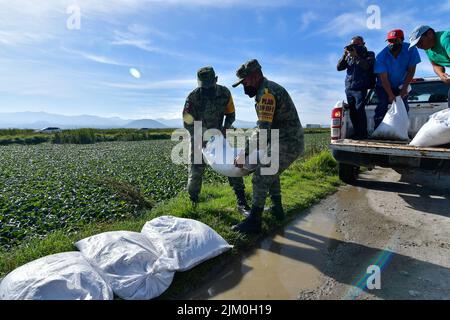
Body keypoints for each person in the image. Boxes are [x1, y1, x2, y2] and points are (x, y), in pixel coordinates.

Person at [230, 59, 304, 234]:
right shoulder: (266, 90)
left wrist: (244, 154)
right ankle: (277, 209)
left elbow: (262, 130)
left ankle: (254, 221)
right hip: (283, 139)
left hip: (288, 141)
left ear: (255, 76)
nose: (244, 86)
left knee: (261, 175)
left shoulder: (266, 94)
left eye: (245, 81)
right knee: (270, 169)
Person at [183, 66, 250, 215]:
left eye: (209, 86)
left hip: (219, 136)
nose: (206, 90)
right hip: (199, 137)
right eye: (203, 87)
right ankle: (193, 205)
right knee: (195, 172)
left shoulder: (225, 93)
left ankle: (242, 202)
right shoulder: (192, 97)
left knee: (233, 165)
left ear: (216, 80)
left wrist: (225, 128)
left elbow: (231, 114)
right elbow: (187, 122)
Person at [373, 29, 421, 130]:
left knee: (403, 106)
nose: (392, 43)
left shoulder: (411, 49)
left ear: (402, 40)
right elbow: (383, 79)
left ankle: (402, 131)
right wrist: (390, 95)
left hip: (400, 84)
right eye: (390, 41)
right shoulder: (381, 56)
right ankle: (378, 131)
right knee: (382, 104)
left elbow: (411, 71)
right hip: (383, 86)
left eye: (395, 40)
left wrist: (404, 89)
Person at [337, 36, 375, 139]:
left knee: (359, 110)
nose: (355, 47)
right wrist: (344, 55)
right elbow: (339, 67)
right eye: (353, 45)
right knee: (353, 112)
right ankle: (357, 132)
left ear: (363, 44)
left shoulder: (369, 54)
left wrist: (356, 56)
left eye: (357, 44)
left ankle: (363, 133)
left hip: (360, 87)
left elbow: (366, 66)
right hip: (349, 87)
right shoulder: (348, 56)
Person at [409, 25, 450, 108]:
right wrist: (441, 74)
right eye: (416, 45)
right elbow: (435, 65)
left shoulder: (445, 39)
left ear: (430, 33)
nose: (418, 47)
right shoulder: (428, 48)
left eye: (419, 42)